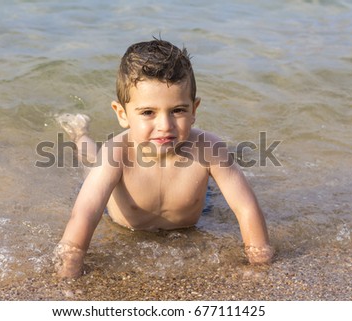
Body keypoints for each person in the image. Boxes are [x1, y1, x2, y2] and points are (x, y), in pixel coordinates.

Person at [53, 39, 274, 278]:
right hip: (123, 220)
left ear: (194, 110)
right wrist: (69, 270)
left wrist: (260, 261)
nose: (165, 126)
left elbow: (246, 208)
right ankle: (79, 133)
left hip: (192, 218)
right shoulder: (116, 153)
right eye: (148, 112)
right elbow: (84, 214)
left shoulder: (209, 148)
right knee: (91, 161)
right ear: (122, 114)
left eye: (178, 110)